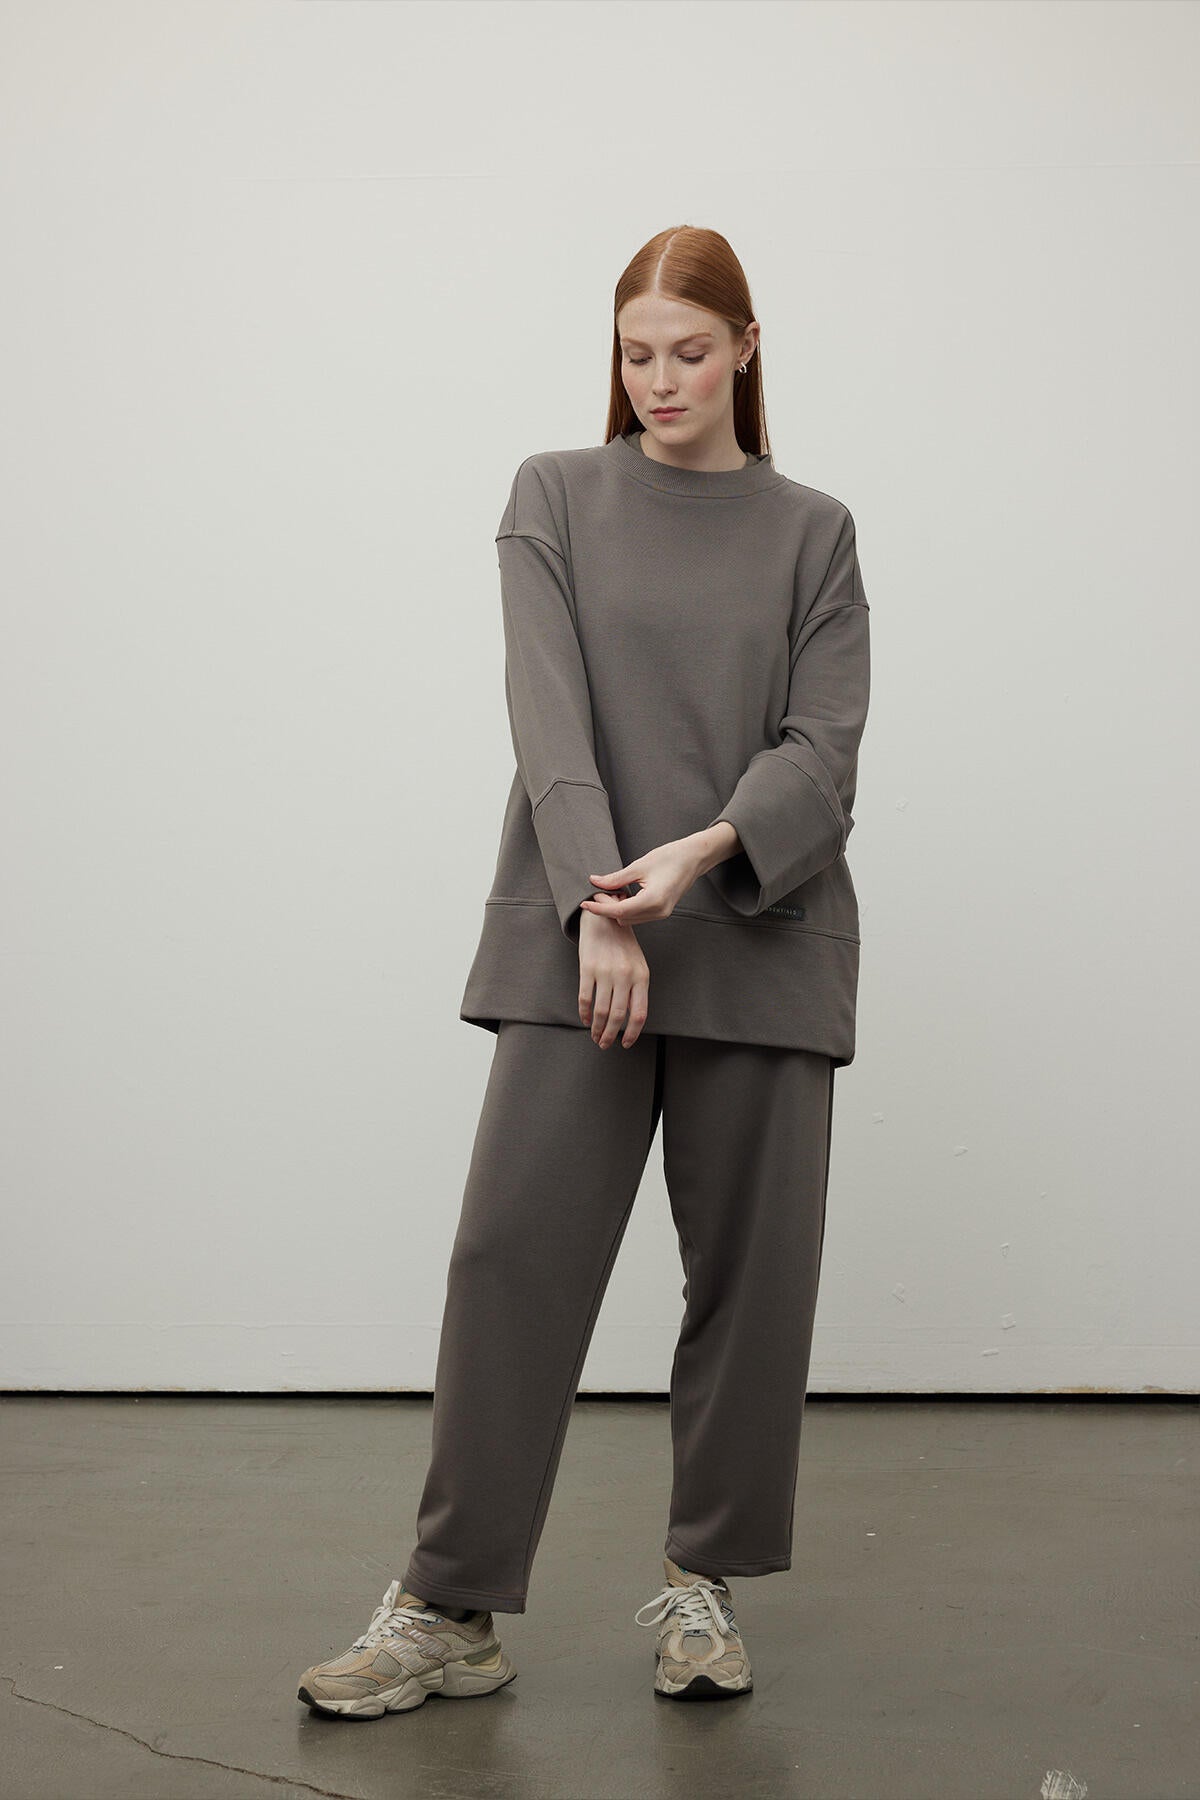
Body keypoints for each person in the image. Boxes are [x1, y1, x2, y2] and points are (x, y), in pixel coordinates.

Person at [297, 223, 871, 1716]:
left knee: (750, 1282)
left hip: (761, 937)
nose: (660, 380)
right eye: (636, 353)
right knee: (511, 1261)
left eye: (691, 351)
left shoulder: (814, 531)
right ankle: (450, 1606)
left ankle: (703, 1586)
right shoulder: (553, 495)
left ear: (747, 349)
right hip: (584, 938)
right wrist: (598, 907)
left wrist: (701, 856)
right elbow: (546, 714)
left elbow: (823, 751)